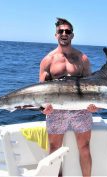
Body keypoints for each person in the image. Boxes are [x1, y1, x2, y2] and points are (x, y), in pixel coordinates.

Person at [39, 18, 98, 177]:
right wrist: (43, 107)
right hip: (56, 111)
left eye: (68, 31)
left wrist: (94, 105)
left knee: (84, 147)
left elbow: (91, 86)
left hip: (81, 110)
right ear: (55, 35)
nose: (64, 34)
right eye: (61, 31)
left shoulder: (82, 59)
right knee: (54, 149)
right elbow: (41, 90)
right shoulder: (48, 60)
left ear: (73, 35)